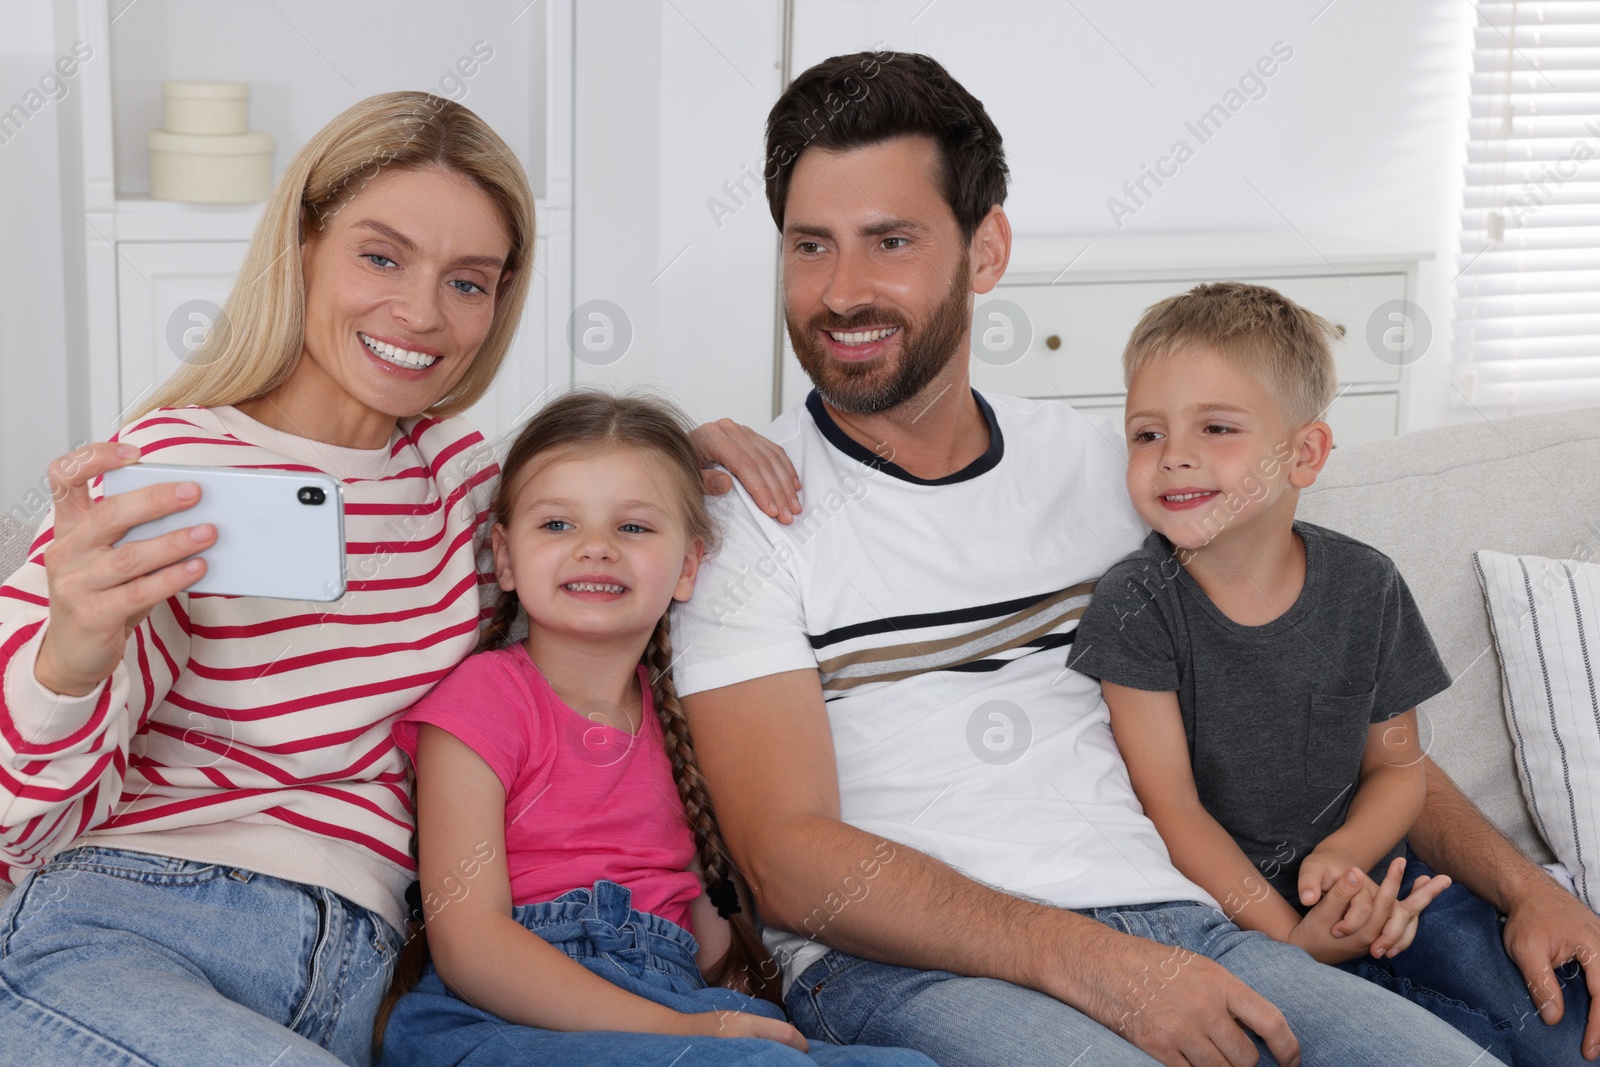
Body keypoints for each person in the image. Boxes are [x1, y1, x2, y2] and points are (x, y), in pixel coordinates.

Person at [669, 50, 1545, 1067]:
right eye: (809, 245)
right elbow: (788, 862)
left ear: (984, 250)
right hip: (903, 966)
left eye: (891, 241)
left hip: (1184, 926)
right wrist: (1086, 961)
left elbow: (1328, 714)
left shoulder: (1123, 472)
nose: (842, 290)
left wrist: (1529, 887)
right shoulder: (744, 517)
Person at [0, 92, 788, 1067]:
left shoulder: (463, 490)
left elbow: (590, 522)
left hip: (366, 969)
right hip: (137, 917)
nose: (420, 313)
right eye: (382, 256)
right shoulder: (167, 464)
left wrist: (676, 454)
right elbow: (15, 816)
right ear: (302, 247)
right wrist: (72, 648)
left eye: (469, 281)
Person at [1066, 281, 1590, 1063]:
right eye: (1147, 433)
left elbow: (1397, 768)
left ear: (1304, 452)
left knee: (1552, 1034)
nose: (1173, 454)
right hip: (1236, 918)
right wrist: (1290, 939)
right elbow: (1170, 805)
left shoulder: (1365, 583)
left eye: (1216, 426)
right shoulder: (1135, 604)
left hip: (1383, 882)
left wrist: (1345, 856)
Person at [371, 389, 933, 1067]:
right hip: (503, 1013)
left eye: (633, 528)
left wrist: (722, 1001)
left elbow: (700, 928)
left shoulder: (681, 721)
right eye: (557, 525)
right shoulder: (484, 699)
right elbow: (471, 945)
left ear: (689, 564)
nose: (597, 549)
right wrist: (678, 1031)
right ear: (506, 556)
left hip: (668, 994)